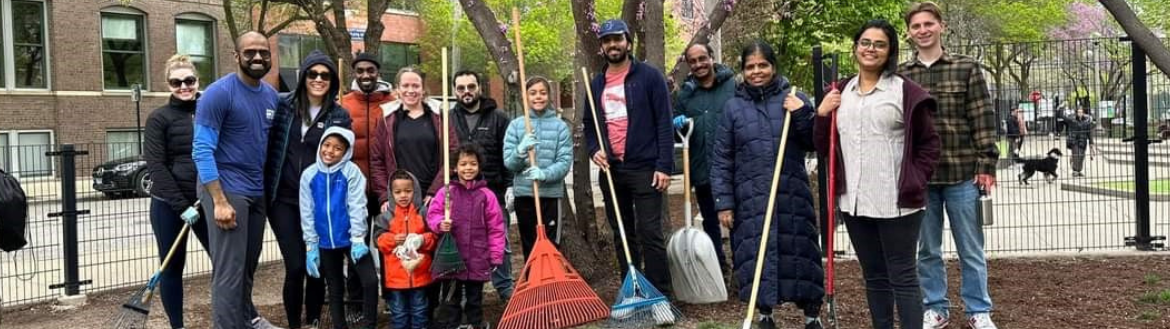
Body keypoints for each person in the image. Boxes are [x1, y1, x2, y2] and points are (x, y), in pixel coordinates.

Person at [815, 20, 941, 329]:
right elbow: (823, 146)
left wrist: (916, 179)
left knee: (903, 276)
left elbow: (930, 144)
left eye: (880, 44)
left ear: (890, 51)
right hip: (855, 201)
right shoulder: (839, 91)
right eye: (865, 42)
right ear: (856, 47)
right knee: (873, 275)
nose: (871, 49)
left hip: (896, 201)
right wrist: (821, 113)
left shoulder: (905, 92)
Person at [899, 3, 1001, 329]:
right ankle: (936, 308)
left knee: (970, 249)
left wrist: (987, 162)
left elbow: (982, 117)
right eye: (916, 26)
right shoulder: (902, 75)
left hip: (962, 173)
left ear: (941, 26)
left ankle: (978, 310)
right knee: (927, 249)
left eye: (929, 23)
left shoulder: (966, 68)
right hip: (921, 178)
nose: (923, 30)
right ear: (909, 32)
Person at [709, 40, 823, 329]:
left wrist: (801, 113)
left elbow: (814, 141)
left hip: (791, 194)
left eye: (763, 65)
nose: (756, 71)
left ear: (773, 67)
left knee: (800, 252)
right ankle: (764, 314)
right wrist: (724, 203)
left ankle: (811, 315)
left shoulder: (795, 98)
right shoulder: (733, 108)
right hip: (750, 198)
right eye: (750, 67)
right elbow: (722, 160)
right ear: (742, 71)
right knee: (753, 254)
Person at [193, 31, 283, 329]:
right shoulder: (219, 94)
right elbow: (201, 149)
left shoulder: (270, 95)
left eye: (263, 52)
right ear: (236, 56)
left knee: (246, 268)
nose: (257, 57)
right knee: (229, 272)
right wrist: (218, 201)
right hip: (226, 190)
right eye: (250, 52)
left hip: (256, 192)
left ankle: (246, 320)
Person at [582, 19, 675, 296]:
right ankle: (632, 291)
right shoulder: (596, 84)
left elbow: (664, 122)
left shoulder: (649, 77)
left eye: (618, 39)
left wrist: (664, 166)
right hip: (612, 170)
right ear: (602, 47)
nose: (613, 44)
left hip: (645, 168)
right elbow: (589, 124)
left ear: (628, 43)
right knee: (622, 234)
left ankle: (662, 296)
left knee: (650, 233)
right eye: (607, 40)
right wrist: (593, 149)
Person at [264, 49, 352, 328]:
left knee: (318, 267)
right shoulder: (282, 106)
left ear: (332, 80)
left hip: (318, 201)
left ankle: (313, 321)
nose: (318, 79)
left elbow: (343, 156)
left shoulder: (339, 115)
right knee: (296, 266)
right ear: (303, 76)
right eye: (312, 73)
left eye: (325, 75)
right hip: (283, 200)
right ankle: (294, 324)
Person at [143, 54, 212, 329]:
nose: (184, 86)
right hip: (169, 206)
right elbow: (156, 166)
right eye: (176, 82)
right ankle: (177, 326)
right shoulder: (158, 119)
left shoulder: (208, 112)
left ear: (197, 81)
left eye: (189, 80)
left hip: (206, 200)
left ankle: (237, 314)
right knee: (172, 267)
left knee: (225, 261)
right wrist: (181, 205)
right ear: (168, 85)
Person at [299, 127, 379, 329]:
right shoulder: (309, 175)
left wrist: (359, 238)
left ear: (346, 152)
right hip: (325, 241)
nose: (330, 151)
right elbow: (306, 211)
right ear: (320, 146)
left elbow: (357, 205)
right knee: (335, 288)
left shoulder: (351, 172)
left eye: (337, 148)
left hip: (351, 239)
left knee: (369, 281)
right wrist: (311, 245)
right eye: (326, 145)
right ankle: (339, 325)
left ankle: (369, 324)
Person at [339, 51, 397, 317]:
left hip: (385, 188)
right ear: (354, 73)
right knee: (357, 245)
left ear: (378, 72)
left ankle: (392, 296)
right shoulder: (344, 104)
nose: (365, 75)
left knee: (389, 244)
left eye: (370, 70)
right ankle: (356, 301)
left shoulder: (391, 103)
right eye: (360, 70)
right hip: (356, 190)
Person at [671, 42, 737, 270]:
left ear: (711, 57)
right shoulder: (686, 95)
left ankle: (742, 270)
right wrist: (676, 124)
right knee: (710, 220)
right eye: (693, 61)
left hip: (732, 168)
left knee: (736, 220)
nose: (698, 64)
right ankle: (718, 267)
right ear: (689, 65)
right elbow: (676, 130)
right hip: (702, 167)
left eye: (702, 58)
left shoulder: (732, 86)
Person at [450, 70, 514, 300]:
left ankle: (505, 287)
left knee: (500, 240)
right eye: (461, 88)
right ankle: (467, 292)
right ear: (455, 91)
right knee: (463, 241)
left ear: (479, 87)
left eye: (471, 86)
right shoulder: (448, 118)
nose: (466, 91)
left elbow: (507, 155)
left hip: (493, 191)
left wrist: (510, 186)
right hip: (460, 193)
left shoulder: (498, 118)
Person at [427, 145, 506, 329]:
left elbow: (496, 228)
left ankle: (475, 323)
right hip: (452, 255)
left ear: (479, 166)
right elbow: (433, 214)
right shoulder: (446, 192)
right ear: (455, 167)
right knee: (451, 295)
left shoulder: (486, 196)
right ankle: (451, 323)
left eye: (472, 164)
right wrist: (440, 224)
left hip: (478, 255)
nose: (468, 168)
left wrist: (495, 255)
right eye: (463, 164)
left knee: (475, 296)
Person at [371, 66, 460, 212]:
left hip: (432, 199)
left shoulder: (439, 117)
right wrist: (384, 196)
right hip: (399, 197)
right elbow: (377, 160)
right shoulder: (387, 119)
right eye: (405, 86)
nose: (410, 90)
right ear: (397, 89)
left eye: (415, 86)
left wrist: (436, 190)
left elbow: (452, 155)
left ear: (423, 89)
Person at [503, 76, 573, 260]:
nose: (538, 97)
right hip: (525, 196)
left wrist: (545, 174)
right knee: (530, 247)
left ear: (549, 96)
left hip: (550, 196)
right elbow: (509, 163)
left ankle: (551, 286)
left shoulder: (560, 127)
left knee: (551, 246)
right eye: (533, 93)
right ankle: (533, 284)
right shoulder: (516, 126)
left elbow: (565, 162)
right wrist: (520, 150)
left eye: (542, 92)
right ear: (525, 97)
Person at [374, 170, 437, 329]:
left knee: (420, 311)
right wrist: (393, 239)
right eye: (398, 192)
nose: (403, 195)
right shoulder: (385, 217)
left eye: (408, 191)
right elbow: (378, 241)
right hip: (396, 278)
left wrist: (422, 239)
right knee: (399, 313)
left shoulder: (423, 213)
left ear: (415, 192)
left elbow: (434, 237)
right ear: (391, 193)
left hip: (420, 275)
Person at [1066, 107, 1094, 177]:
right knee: (1076, 155)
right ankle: (1075, 171)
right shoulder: (1072, 120)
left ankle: (1079, 170)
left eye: (1081, 112)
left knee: (1081, 157)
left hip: (1083, 141)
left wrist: (1091, 143)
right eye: (1078, 112)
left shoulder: (1087, 122)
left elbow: (1089, 133)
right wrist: (1060, 108)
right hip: (1074, 141)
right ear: (1076, 113)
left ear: (1083, 113)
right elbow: (1064, 118)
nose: (1080, 113)